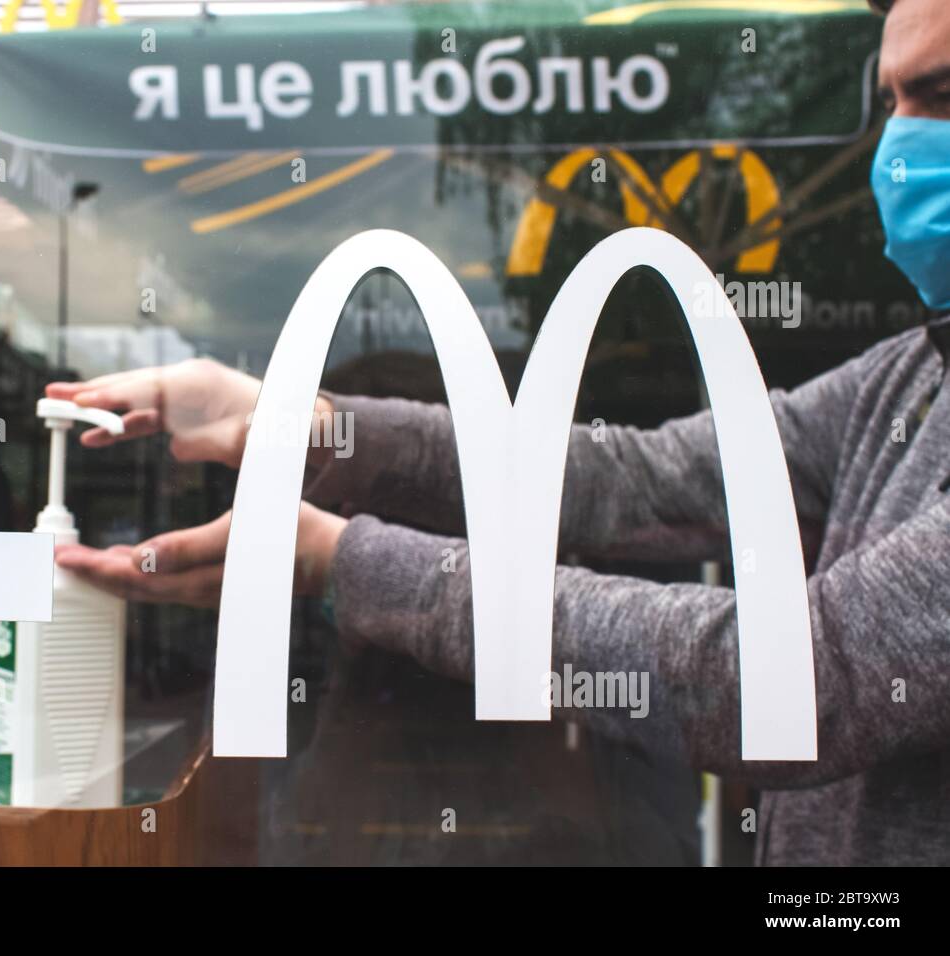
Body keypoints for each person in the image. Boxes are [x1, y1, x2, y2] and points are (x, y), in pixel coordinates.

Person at [49, 0, 950, 865]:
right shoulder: (907, 375)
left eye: (940, 94)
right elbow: (640, 478)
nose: (903, 144)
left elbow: (796, 681)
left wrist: (339, 559)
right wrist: (308, 427)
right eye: (893, 103)